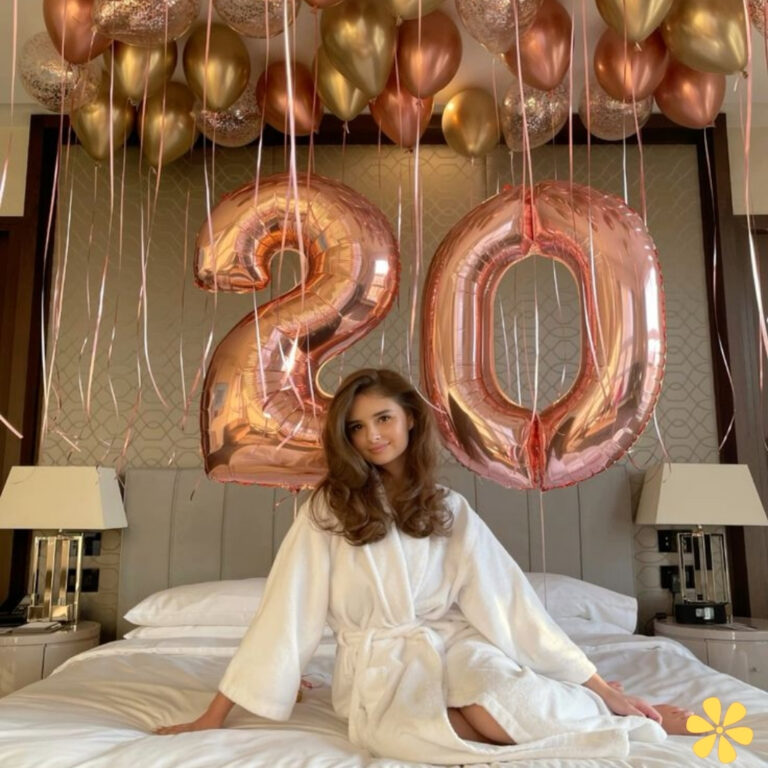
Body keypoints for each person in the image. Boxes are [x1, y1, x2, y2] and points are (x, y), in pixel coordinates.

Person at [156, 368, 692, 763]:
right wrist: (213, 716)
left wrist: (602, 685)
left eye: (383, 418)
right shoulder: (328, 509)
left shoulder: (447, 508)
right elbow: (286, 612)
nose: (373, 437)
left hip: (456, 644)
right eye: (357, 428)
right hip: (382, 662)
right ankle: (589, 714)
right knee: (431, 732)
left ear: (410, 418)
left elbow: (508, 602)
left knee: (496, 697)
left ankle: (614, 713)